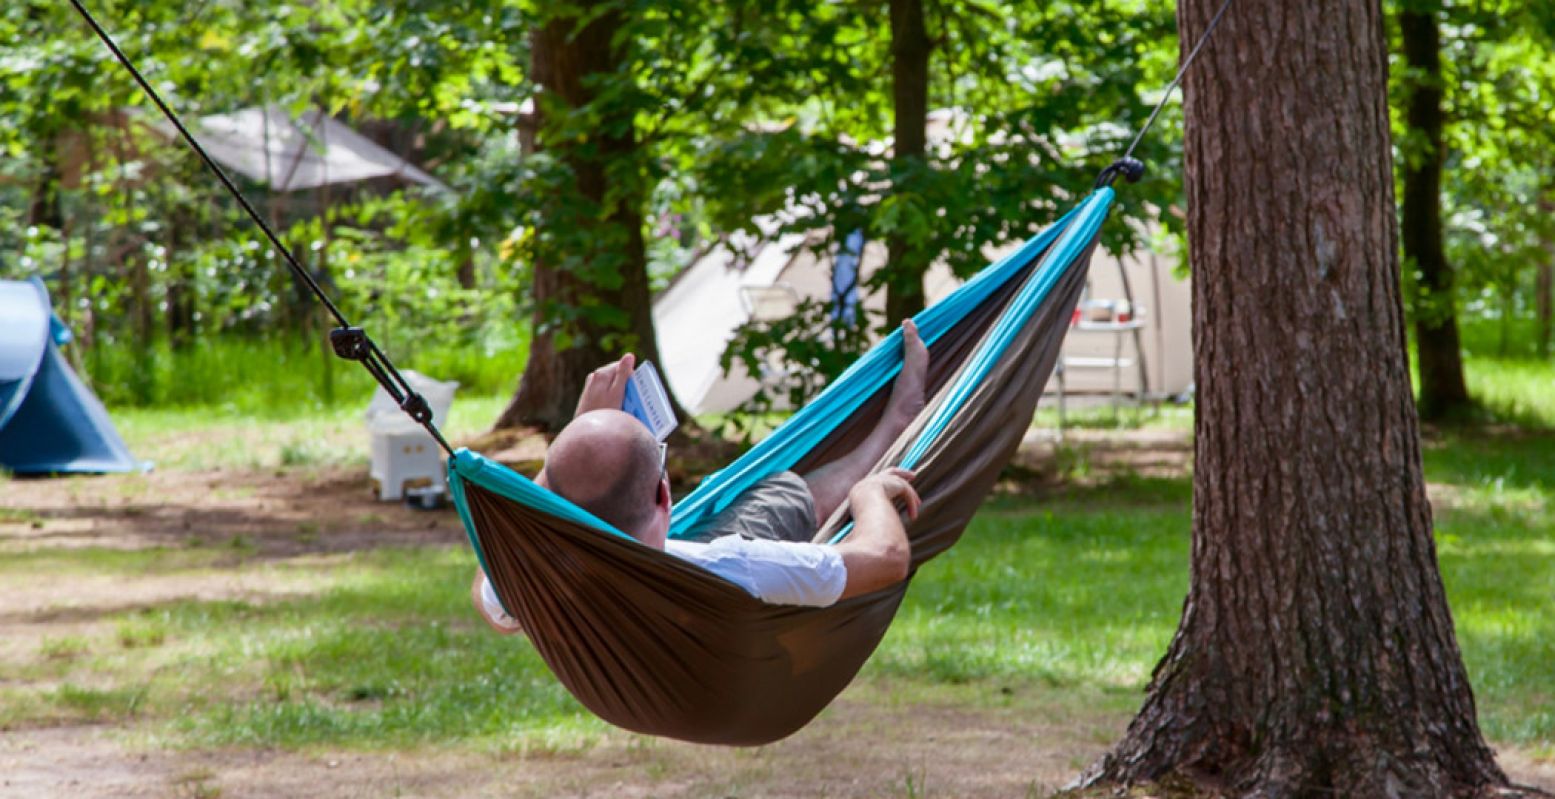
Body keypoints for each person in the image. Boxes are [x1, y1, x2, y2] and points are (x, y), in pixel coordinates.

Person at [473, 321, 930, 633]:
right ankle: (892, 427)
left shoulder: (532, 578)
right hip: (692, 589)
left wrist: (569, 447)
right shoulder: (732, 567)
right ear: (664, 496)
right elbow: (886, 558)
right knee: (780, 496)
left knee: (754, 499)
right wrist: (868, 493)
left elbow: (487, 586)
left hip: (638, 619)